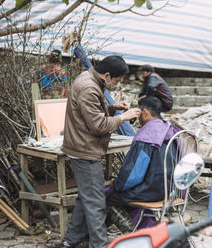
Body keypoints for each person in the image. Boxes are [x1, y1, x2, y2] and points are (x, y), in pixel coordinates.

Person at [57, 56, 141, 248]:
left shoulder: (90, 78)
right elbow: (98, 125)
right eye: (117, 81)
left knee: (85, 197)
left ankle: (71, 240)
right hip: (84, 150)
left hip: (81, 146)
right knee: (96, 203)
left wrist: (112, 108)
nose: (117, 84)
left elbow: (90, 112)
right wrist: (124, 118)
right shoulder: (89, 88)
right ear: (108, 75)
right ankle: (99, 245)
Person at [105, 96, 179, 228]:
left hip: (149, 191)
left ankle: (132, 233)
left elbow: (132, 176)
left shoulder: (147, 135)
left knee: (105, 196)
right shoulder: (170, 130)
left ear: (144, 112)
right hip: (170, 189)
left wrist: (115, 184)